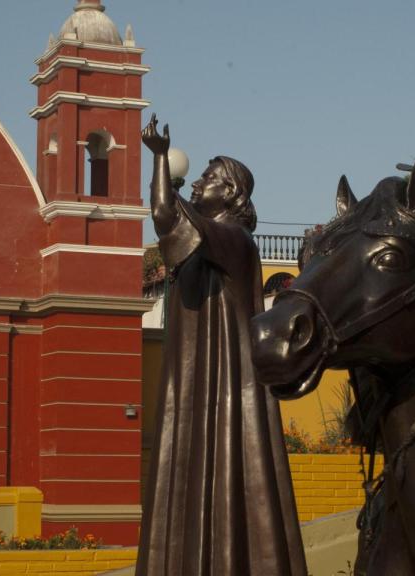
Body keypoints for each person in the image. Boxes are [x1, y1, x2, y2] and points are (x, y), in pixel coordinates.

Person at [135, 115, 306, 576]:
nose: (196, 185)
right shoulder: (207, 241)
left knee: (223, 473)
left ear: (231, 194)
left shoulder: (232, 239)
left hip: (224, 384)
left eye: (208, 179)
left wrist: (156, 159)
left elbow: (163, 217)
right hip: (196, 382)